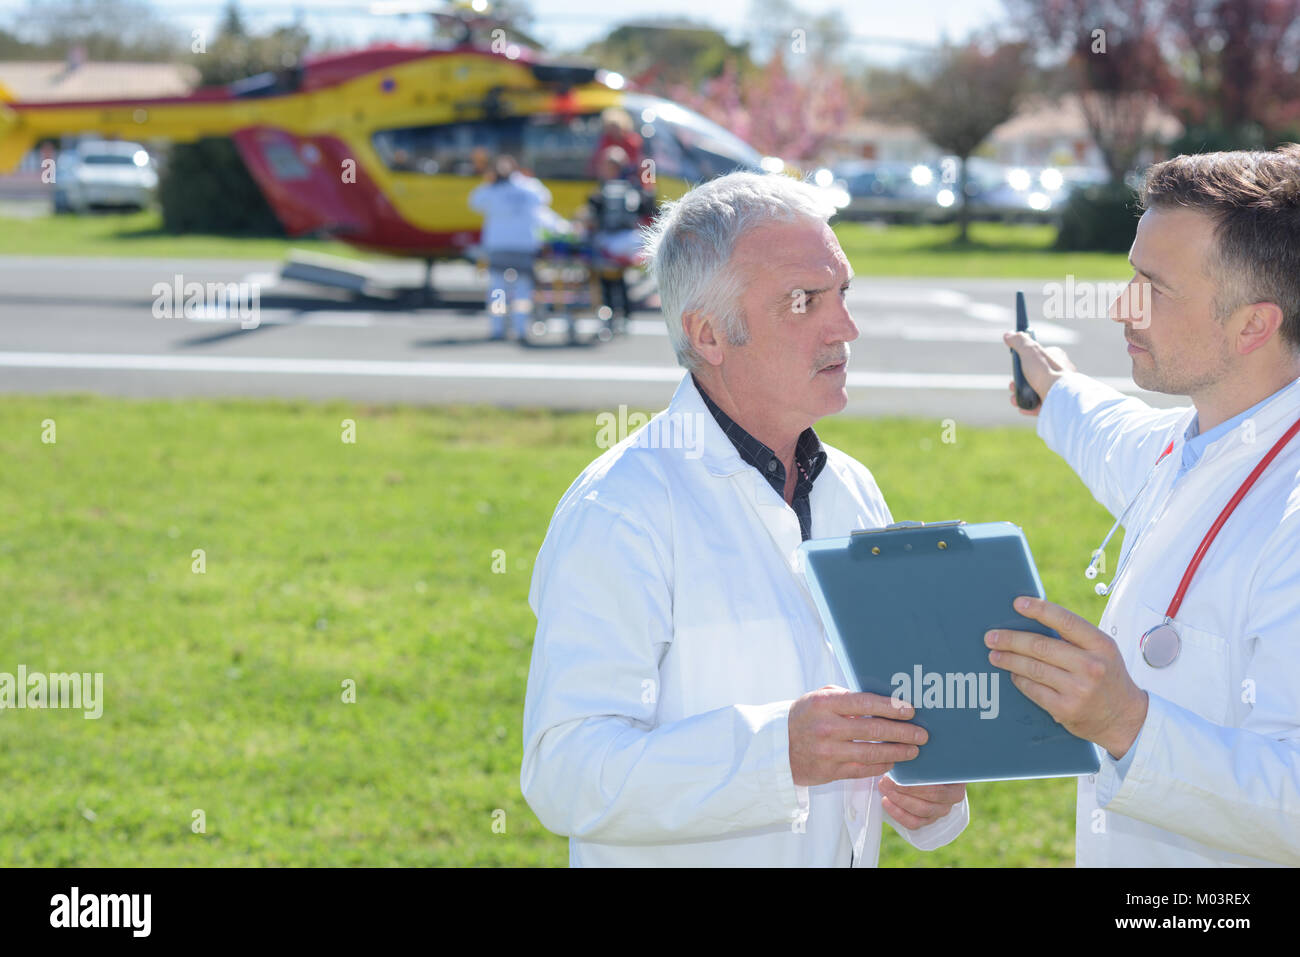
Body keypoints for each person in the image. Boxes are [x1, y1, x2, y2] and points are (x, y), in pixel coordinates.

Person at [520, 171, 969, 866]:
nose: (846, 327)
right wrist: (774, 754)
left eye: (842, 292)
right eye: (804, 300)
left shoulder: (854, 489)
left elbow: (889, 718)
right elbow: (565, 772)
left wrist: (931, 794)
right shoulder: (621, 508)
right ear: (708, 334)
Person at [999, 143, 1300, 866]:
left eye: (1152, 287)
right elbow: (1107, 433)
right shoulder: (1195, 441)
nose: (1119, 305)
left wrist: (1128, 722)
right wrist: (1054, 389)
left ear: (1252, 324)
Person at [467, 154, 552, 343]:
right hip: (523, 245)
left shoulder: (492, 189)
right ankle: (519, 328)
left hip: (499, 245)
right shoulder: (529, 186)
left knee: (498, 289)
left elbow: (473, 202)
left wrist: (490, 182)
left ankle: (498, 327)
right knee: (522, 288)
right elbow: (545, 199)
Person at [583, 145, 654, 322]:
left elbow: (645, 209)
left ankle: (616, 310)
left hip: (621, 240)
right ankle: (617, 310)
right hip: (619, 239)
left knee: (609, 270)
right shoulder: (629, 186)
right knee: (611, 274)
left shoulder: (620, 188)